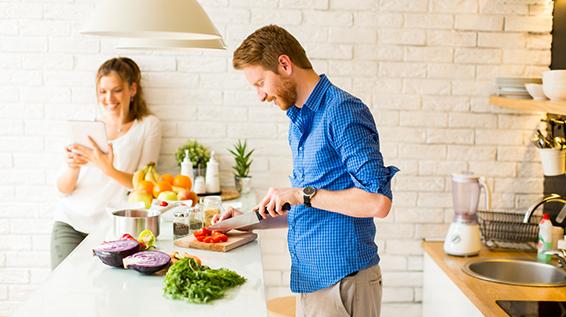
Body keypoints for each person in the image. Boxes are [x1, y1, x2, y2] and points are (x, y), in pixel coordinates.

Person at [217, 25, 399, 317]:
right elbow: (311, 207)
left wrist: (302, 194)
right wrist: (242, 222)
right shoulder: (300, 121)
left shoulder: (343, 111)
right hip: (315, 282)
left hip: (343, 282)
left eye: (260, 83)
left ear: (285, 65)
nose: (260, 96)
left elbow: (377, 202)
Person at [51, 57, 162, 269]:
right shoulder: (87, 124)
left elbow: (145, 187)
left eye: (117, 90)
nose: (109, 98)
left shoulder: (147, 126)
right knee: (63, 294)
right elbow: (63, 188)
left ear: (133, 89)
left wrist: (108, 169)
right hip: (70, 222)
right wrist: (73, 168)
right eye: (102, 91)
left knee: (103, 295)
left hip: (112, 228)